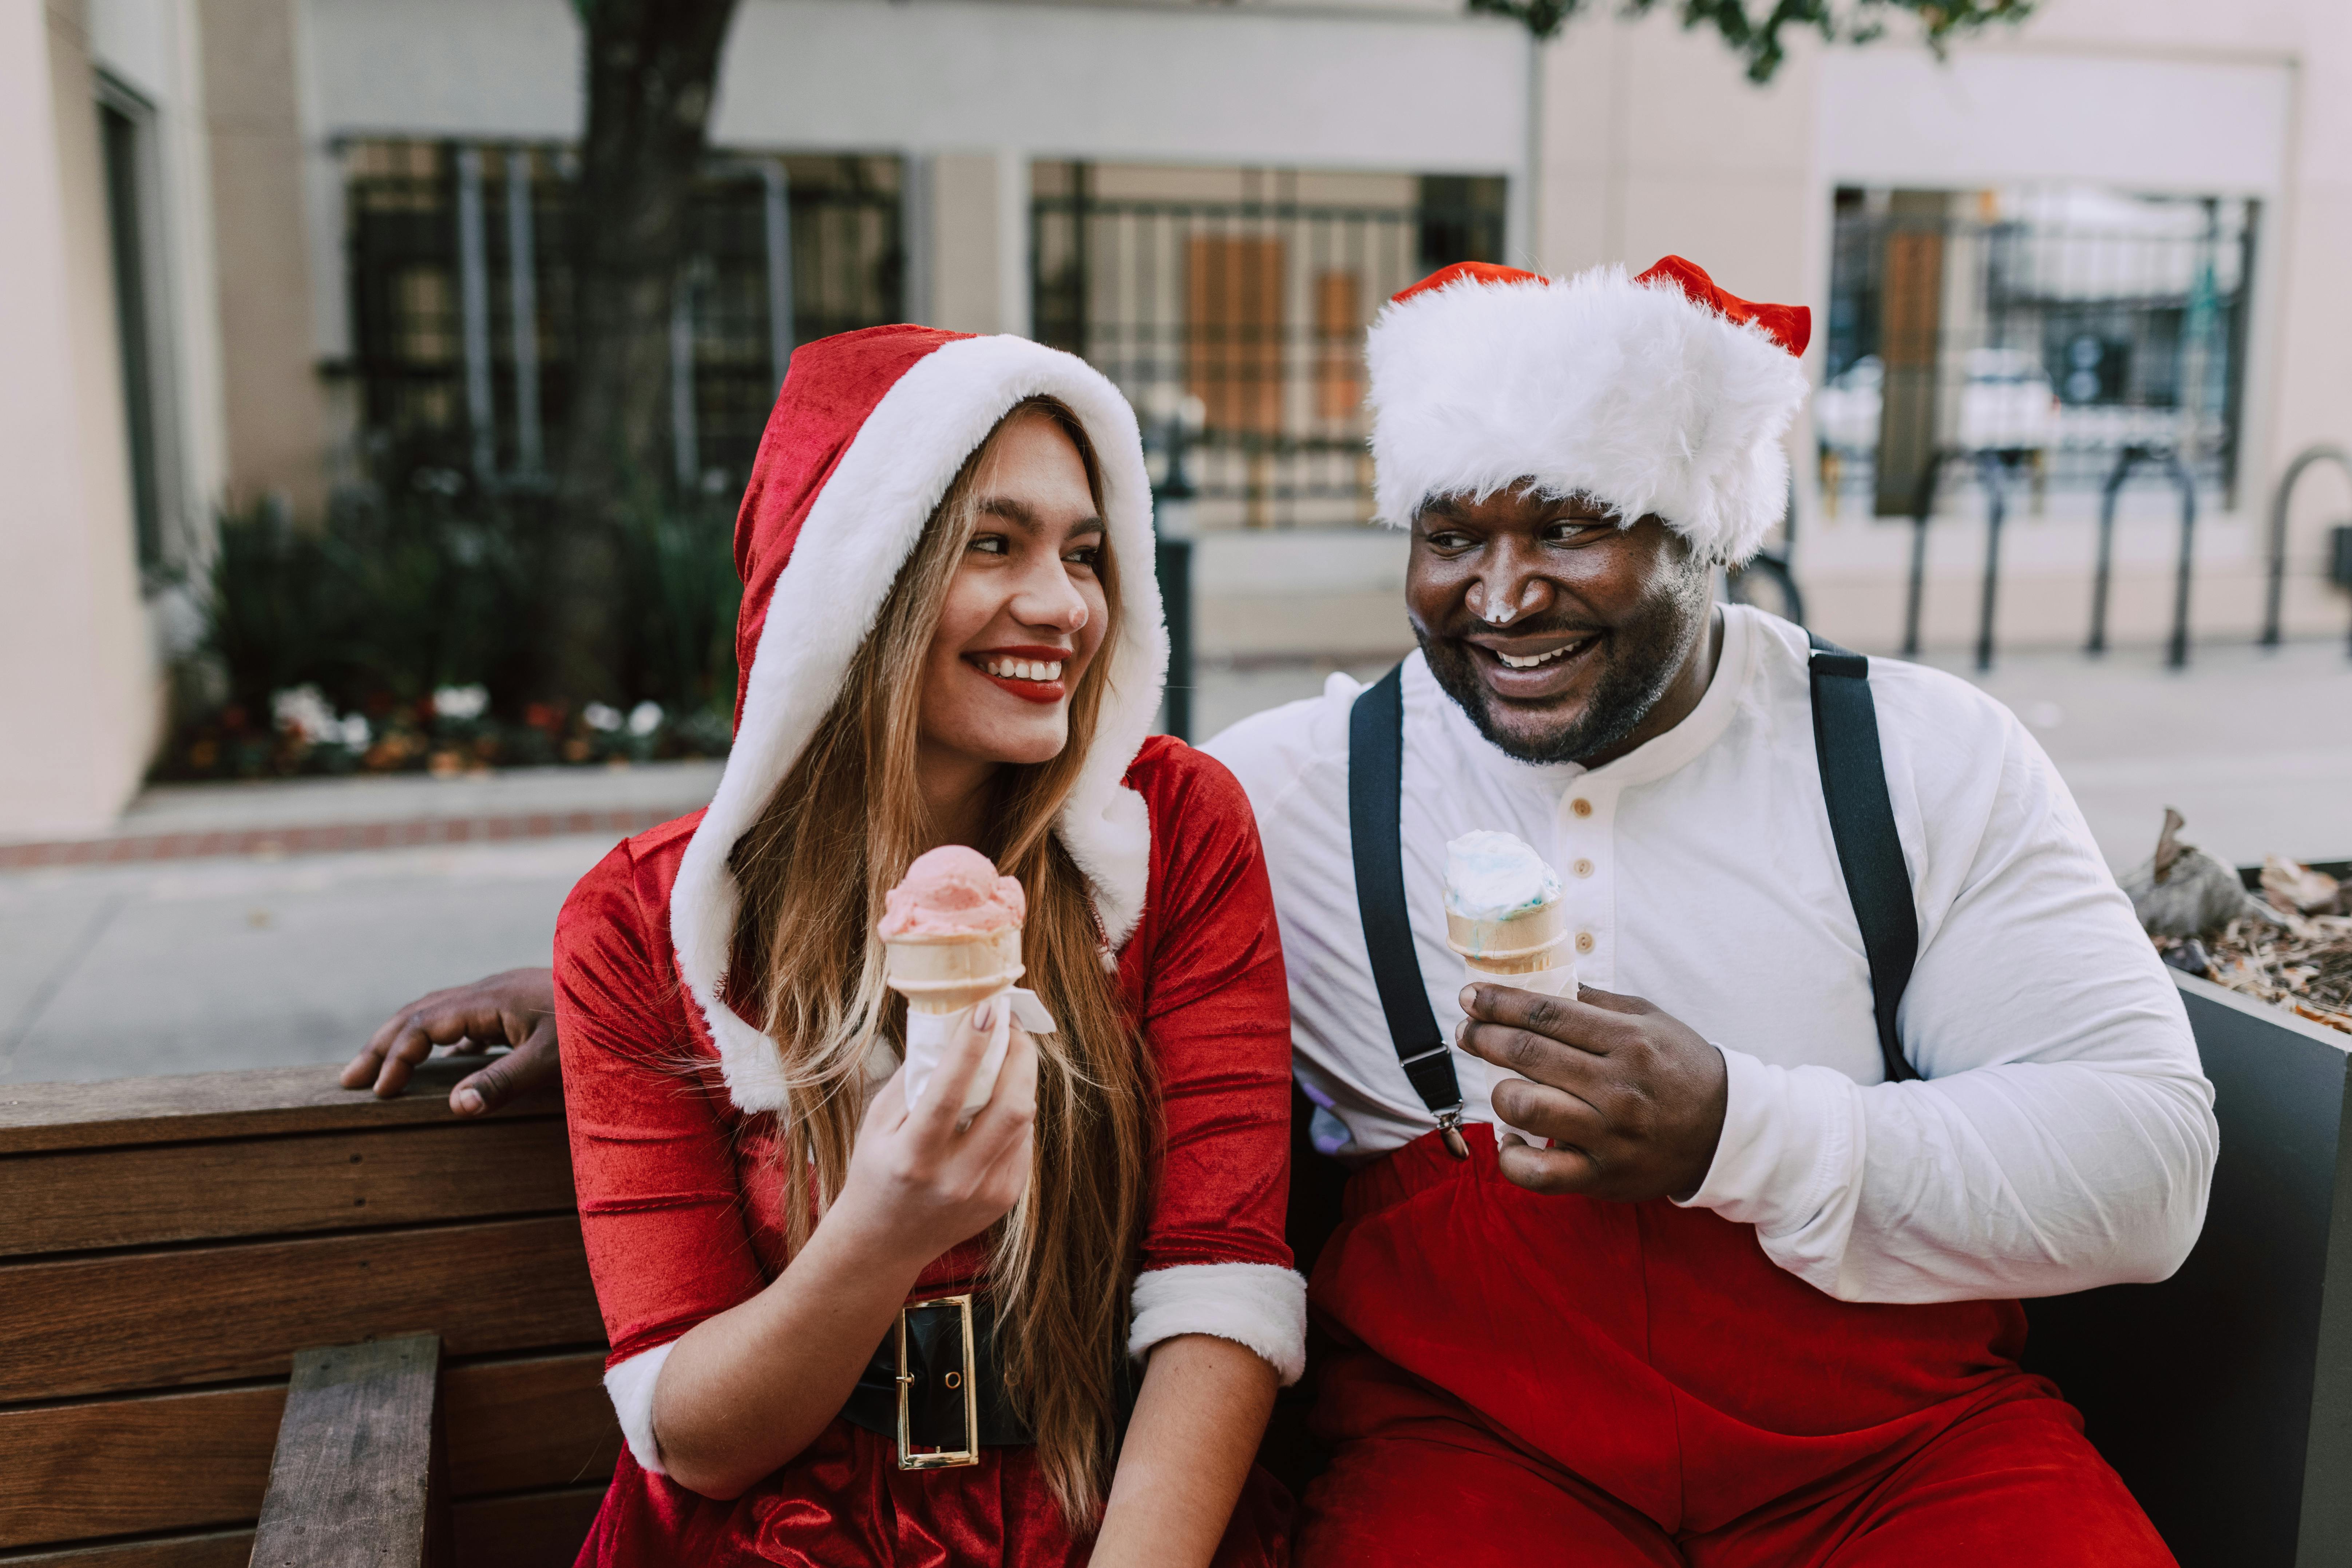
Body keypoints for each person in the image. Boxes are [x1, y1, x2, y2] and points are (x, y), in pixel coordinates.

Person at [1196, 258, 2213, 1565]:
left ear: (1709, 529)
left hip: (1897, 1456)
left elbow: (2149, 1170)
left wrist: (1740, 1127)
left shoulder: (1918, 756)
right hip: (1478, 1450)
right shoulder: (1286, 790)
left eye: (1570, 526)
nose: (1500, 597)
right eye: (1451, 536)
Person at [510, 324, 1296, 1566]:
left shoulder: (1173, 835)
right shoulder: (642, 925)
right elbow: (692, 1431)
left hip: (1111, 1501)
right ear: (854, 576)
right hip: (785, 1521)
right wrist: (881, 1230)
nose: (1064, 605)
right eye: (994, 543)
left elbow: (1222, 1278)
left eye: (1085, 552)